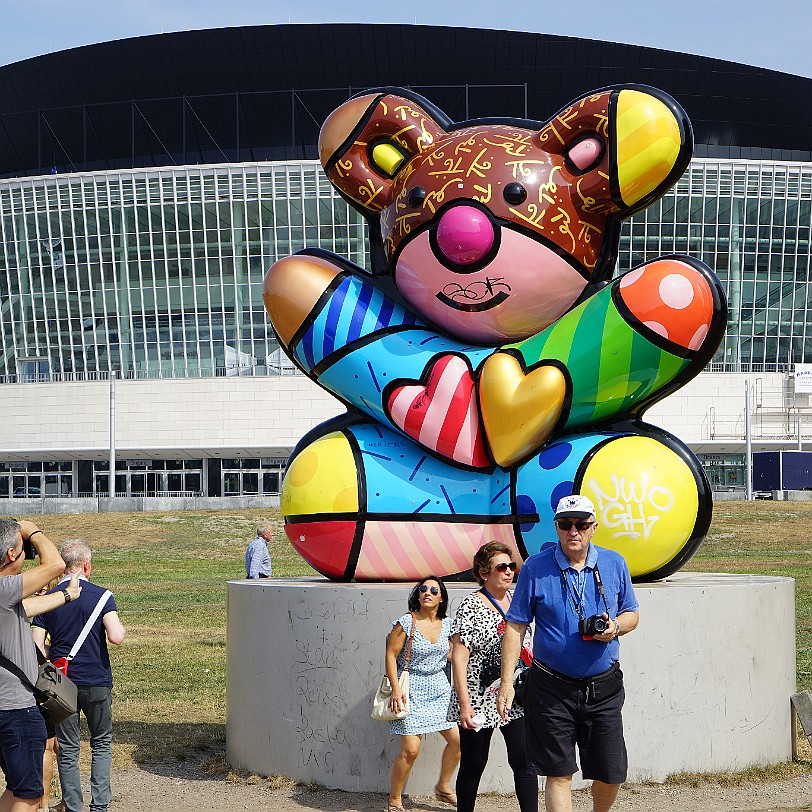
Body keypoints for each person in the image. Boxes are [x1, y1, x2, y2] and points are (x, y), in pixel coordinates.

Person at [498, 495, 640, 812]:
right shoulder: (536, 567)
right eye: (566, 524)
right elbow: (515, 626)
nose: (573, 531)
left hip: (603, 688)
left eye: (581, 524)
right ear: (557, 528)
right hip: (551, 688)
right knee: (558, 774)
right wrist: (506, 683)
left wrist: (614, 627)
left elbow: (632, 613)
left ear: (593, 528)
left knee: (610, 773)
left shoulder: (615, 563)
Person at [31, 541, 125, 812]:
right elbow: (116, 637)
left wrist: (54, 650)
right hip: (96, 679)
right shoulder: (103, 596)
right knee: (101, 741)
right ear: (85, 565)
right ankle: (100, 805)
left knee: (69, 748)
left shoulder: (47, 600)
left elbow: (38, 647)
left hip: (61, 683)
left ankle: (73, 806)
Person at [448, 542, 537, 812]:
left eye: (512, 567)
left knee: (523, 760)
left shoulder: (518, 600)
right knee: (474, 762)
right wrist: (465, 704)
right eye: (502, 567)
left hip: (515, 695)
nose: (509, 572)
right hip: (478, 696)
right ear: (484, 572)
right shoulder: (471, 605)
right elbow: (459, 657)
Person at [0, 518, 67, 812]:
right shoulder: (4, 589)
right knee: (28, 792)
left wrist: (65, 595)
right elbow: (55, 564)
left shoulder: (8, 598)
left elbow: (29, 607)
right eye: (22, 548)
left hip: (5, 705)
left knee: (16, 787)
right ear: (11, 554)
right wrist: (33, 530)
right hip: (15, 708)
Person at [385, 576, 460, 812]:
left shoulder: (447, 625)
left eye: (433, 590)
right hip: (411, 691)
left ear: (441, 597)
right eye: (423, 589)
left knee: (459, 742)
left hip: (439, 689)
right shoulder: (407, 623)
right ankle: (394, 800)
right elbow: (390, 655)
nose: (427, 592)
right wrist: (396, 688)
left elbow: (451, 655)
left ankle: (443, 786)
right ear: (418, 595)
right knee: (411, 750)